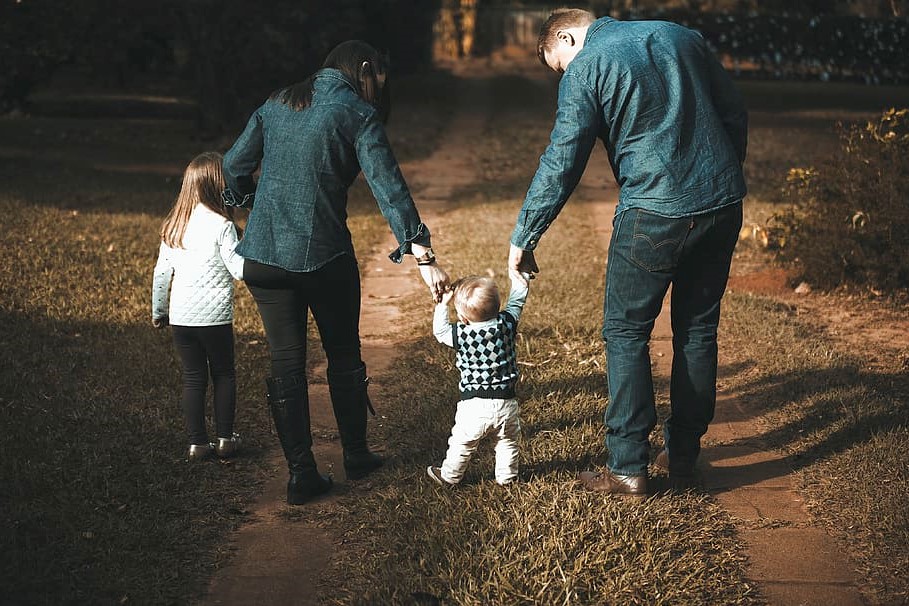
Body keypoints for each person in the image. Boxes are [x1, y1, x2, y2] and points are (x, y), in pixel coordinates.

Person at [507, 9, 747, 496]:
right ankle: (682, 456)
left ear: (569, 35)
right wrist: (720, 178)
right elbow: (734, 112)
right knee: (697, 328)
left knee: (625, 332)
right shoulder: (683, 36)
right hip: (722, 204)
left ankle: (626, 466)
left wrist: (525, 235)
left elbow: (563, 159)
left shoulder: (587, 66)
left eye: (559, 64)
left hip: (653, 213)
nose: (564, 74)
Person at [222, 40, 450, 505]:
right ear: (364, 69)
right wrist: (425, 260)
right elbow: (391, 191)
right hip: (325, 259)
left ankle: (301, 474)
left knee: (285, 361)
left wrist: (250, 204)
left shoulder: (277, 101)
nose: (376, 90)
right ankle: (357, 455)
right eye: (376, 80)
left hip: (263, 260)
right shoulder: (356, 113)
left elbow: (231, 168)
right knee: (343, 354)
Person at [152, 151, 245, 461]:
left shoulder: (174, 226)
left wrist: (159, 311)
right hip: (215, 318)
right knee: (223, 375)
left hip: (181, 318)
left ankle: (196, 444)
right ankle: (225, 440)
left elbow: (162, 273)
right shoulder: (222, 226)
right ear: (219, 185)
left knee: (193, 377)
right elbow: (239, 270)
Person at [427, 272, 529, 487]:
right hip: (507, 403)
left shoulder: (461, 334)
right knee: (508, 442)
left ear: (463, 318)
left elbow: (440, 331)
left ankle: (449, 476)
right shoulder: (507, 324)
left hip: (473, 405)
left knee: (462, 443)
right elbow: (517, 301)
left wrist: (443, 305)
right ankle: (507, 478)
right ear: (498, 306)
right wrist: (521, 278)